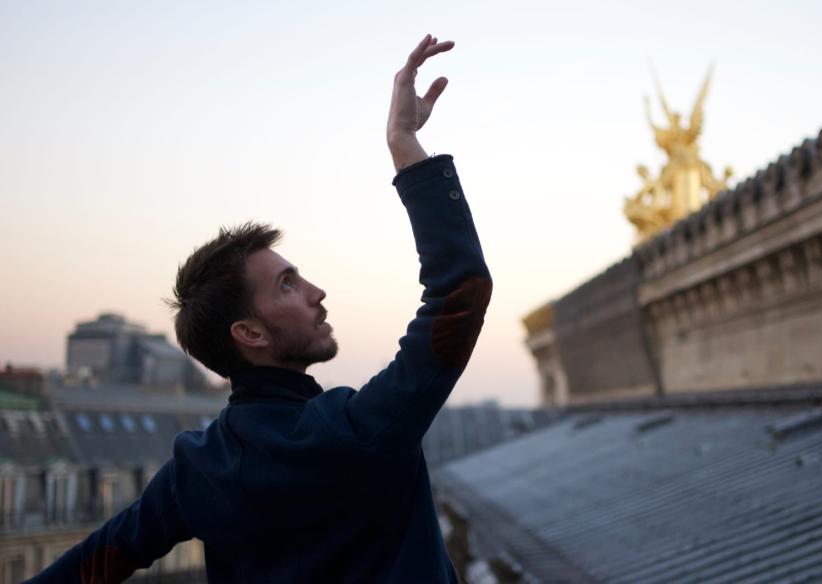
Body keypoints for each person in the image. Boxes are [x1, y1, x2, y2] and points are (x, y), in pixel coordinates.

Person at [28, 34, 491, 583]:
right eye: (288, 285)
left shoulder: (198, 468)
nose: (317, 291)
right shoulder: (357, 431)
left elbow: (95, 565)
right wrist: (405, 145)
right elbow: (460, 291)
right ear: (248, 332)